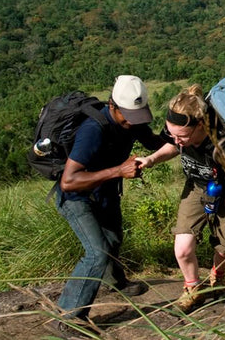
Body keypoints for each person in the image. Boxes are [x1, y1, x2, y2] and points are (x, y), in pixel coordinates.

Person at [136, 85, 225, 313]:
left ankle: (218, 275)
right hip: (196, 188)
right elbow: (172, 146)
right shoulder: (179, 133)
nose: (177, 140)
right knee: (183, 249)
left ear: (200, 126)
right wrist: (152, 159)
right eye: (172, 133)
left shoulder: (222, 146)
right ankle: (193, 288)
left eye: (182, 136)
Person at [52, 75, 164, 332]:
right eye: (127, 117)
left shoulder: (131, 122)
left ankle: (117, 283)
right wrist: (118, 171)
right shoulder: (93, 131)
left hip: (105, 193)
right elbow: (69, 182)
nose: (131, 123)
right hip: (77, 198)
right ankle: (68, 318)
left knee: (113, 240)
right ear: (113, 106)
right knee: (97, 252)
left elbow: (155, 142)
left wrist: (184, 136)